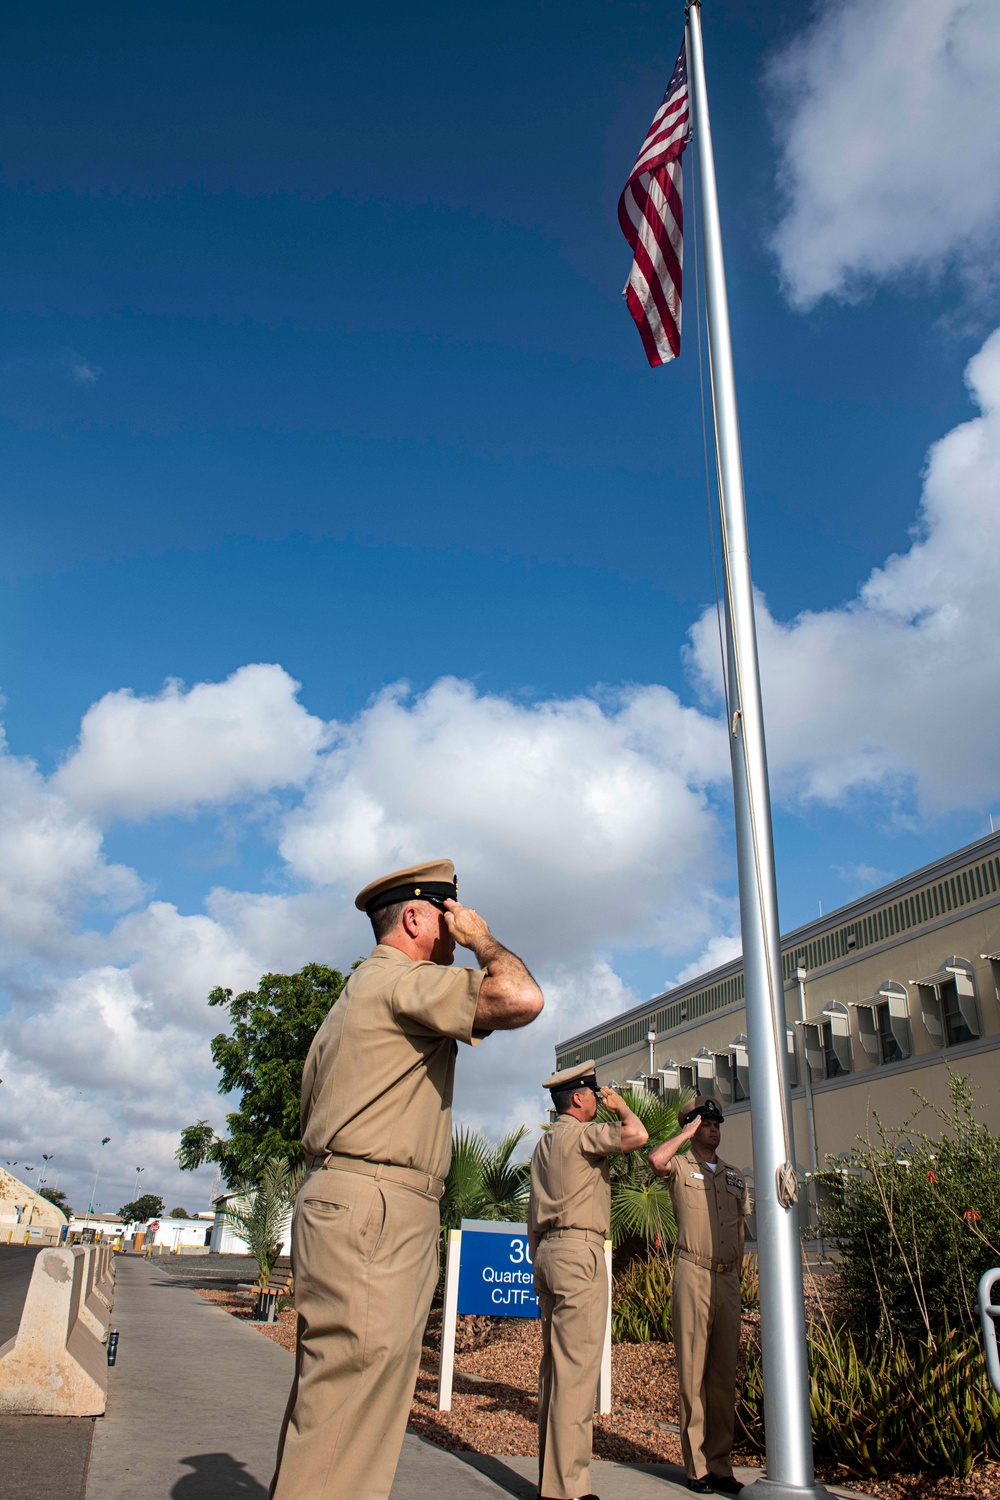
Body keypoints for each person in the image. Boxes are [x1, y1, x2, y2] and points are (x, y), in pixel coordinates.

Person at [269, 858, 544, 1500]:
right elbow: (520, 997)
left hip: (346, 1198)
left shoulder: (354, 997)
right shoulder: (402, 981)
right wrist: (483, 940)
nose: (452, 932)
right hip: (379, 1206)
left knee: (336, 1405)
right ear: (416, 916)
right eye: (446, 916)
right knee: (351, 1410)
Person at [528, 1062, 649, 1500]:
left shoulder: (543, 1144)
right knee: (577, 1377)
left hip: (548, 1252)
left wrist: (539, 1253)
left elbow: (531, 1216)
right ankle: (569, 1489)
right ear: (578, 1098)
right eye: (595, 1094)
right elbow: (638, 1137)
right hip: (580, 1253)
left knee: (555, 1374)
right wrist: (622, 1107)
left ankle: (552, 1482)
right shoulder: (581, 1135)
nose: (599, 1099)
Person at [648, 1096, 748, 1495]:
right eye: (705, 1123)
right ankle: (698, 1467)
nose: (713, 1128)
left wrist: (739, 1275)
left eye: (716, 1123)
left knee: (723, 1377)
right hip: (693, 1271)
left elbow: (740, 1228)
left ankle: (721, 1465)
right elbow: (655, 1160)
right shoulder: (680, 1166)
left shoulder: (734, 1175)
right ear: (692, 1127)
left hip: (727, 1280)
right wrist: (682, 1135)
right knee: (692, 1373)